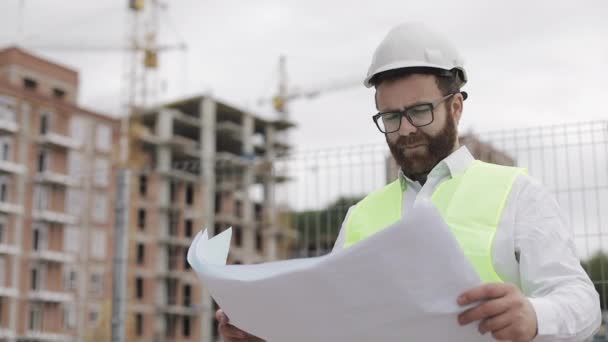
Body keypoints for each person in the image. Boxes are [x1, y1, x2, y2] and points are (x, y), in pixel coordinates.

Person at [216, 22, 601, 342]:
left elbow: (582, 303)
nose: (405, 130)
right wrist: (268, 333)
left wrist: (535, 316)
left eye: (419, 111)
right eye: (391, 117)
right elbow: (333, 328)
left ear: (455, 106)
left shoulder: (518, 194)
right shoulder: (360, 216)